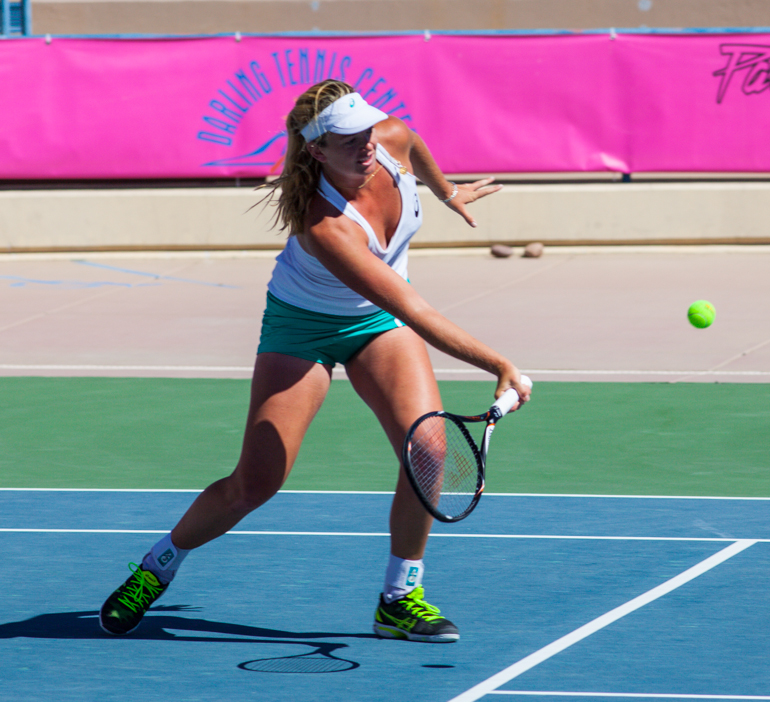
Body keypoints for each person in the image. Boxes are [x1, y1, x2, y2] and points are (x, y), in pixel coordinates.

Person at [99, 79, 532, 643]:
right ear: (317, 151)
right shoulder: (324, 223)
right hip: (302, 329)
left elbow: (412, 145)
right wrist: (497, 362)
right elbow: (412, 307)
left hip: (376, 326)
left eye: (366, 129)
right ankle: (157, 566)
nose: (366, 143)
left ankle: (398, 600)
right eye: (348, 139)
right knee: (255, 484)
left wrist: (448, 192)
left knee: (427, 451)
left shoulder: (389, 139)